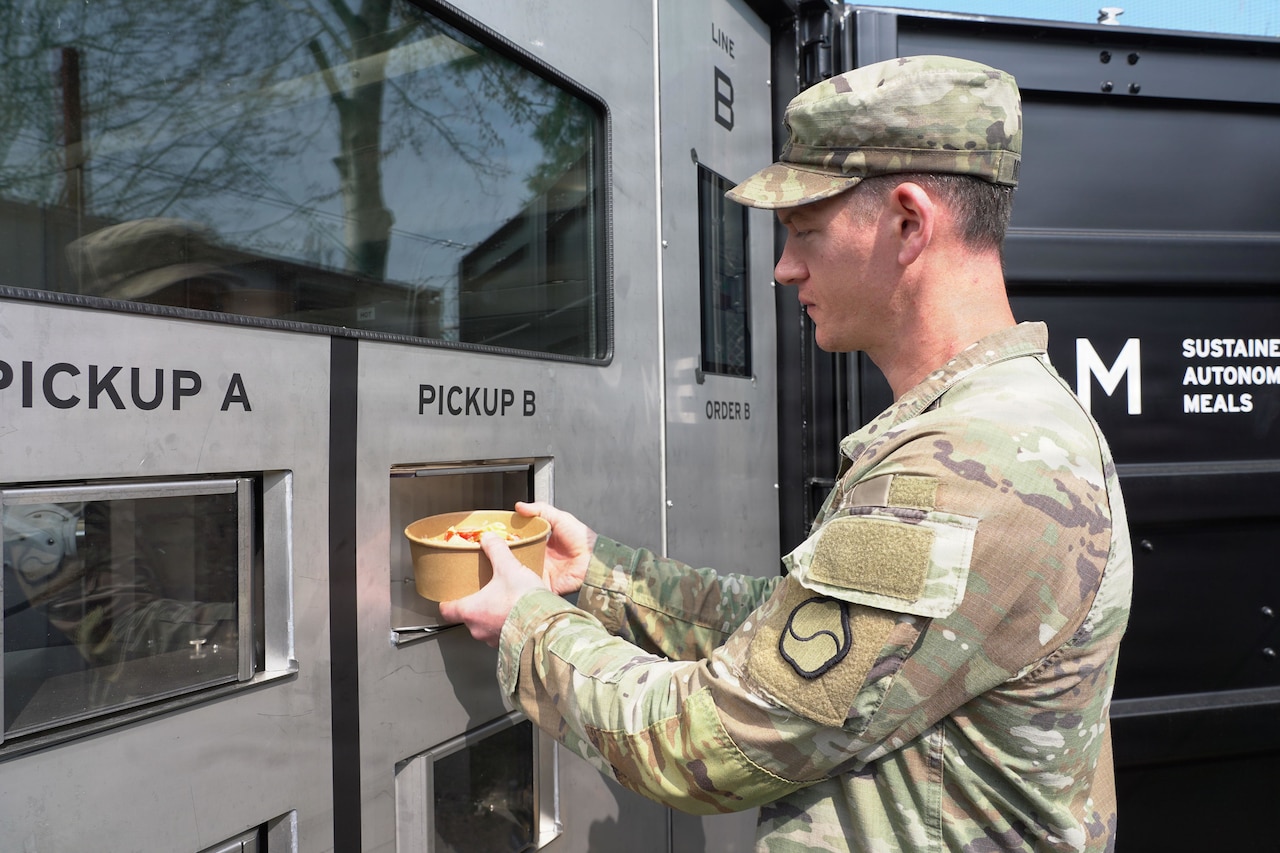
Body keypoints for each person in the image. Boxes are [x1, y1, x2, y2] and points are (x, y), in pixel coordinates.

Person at [441, 55, 1133, 852]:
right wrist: (598, 578)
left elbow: (714, 740)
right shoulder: (1005, 422)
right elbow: (807, 640)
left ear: (909, 222)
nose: (782, 267)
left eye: (804, 229)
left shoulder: (966, 464)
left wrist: (527, 623)